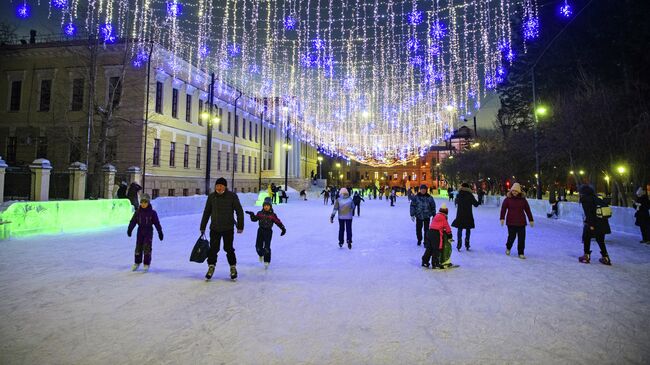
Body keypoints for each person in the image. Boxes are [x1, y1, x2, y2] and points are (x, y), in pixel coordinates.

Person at [200, 177, 244, 281]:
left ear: (225, 186)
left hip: (228, 228)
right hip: (215, 228)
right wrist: (203, 226)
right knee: (213, 249)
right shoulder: (211, 197)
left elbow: (239, 211)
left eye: (221, 186)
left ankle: (233, 267)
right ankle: (211, 267)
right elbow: (207, 212)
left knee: (229, 249)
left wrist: (240, 225)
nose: (219, 188)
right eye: (217, 186)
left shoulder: (232, 196)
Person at [245, 200, 286, 269]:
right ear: (263, 206)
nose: (266, 207)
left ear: (270, 206)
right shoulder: (260, 213)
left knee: (267, 247)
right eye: (265, 206)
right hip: (260, 231)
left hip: (268, 232)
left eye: (268, 206)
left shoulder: (272, 215)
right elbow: (254, 219)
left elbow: (277, 222)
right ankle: (260, 254)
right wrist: (252, 215)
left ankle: (267, 261)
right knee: (258, 246)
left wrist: (282, 228)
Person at [127, 194, 163, 272]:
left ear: (148, 203)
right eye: (142, 202)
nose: (143, 204)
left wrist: (160, 232)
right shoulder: (138, 212)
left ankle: (146, 263)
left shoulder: (152, 213)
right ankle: (137, 262)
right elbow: (133, 221)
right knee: (138, 247)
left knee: (147, 248)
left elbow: (157, 223)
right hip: (140, 231)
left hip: (148, 231)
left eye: (145, 202)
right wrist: (130, 229)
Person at [578, 185, 612, 265]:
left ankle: (586, 256)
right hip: (603, 222)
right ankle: (606, 258)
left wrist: (591, 225)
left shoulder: (585, 199)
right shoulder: (597, 198)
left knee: (587, 238)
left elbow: (589, 213)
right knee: (600, 240)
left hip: (593, 223)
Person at [500, 183, 534, 259]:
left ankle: (521, 252)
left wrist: (531, 219)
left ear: (519, 191)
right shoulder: (507, 199)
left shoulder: (523, 200)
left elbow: (528, 210)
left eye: (516, 191)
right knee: (512, 237)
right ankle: (508, 248)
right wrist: (502, 218)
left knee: (522, 238)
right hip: (511, 222)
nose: (514, 192)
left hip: (521, 222)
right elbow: (503, 209)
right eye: (513, 191)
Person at [422, 204, 454, 269]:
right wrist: (450, 235)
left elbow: (435, 224)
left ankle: (425, 261)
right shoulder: (443, 217)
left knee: (429, 248)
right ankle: (435, 263)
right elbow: (447, 227)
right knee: (436, 249)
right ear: (446, 212)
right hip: (436, 234)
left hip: (429, 232)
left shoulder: (436, 216)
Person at [452, 183, 479, 251]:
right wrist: (478, 200)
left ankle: (459, 243)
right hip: (468, 215)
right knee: (468, 229)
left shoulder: (459, 194)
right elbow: (476, 204)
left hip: (460, 214)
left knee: (460, 229)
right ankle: (467, 243)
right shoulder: (470, 195)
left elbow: (456, 201)